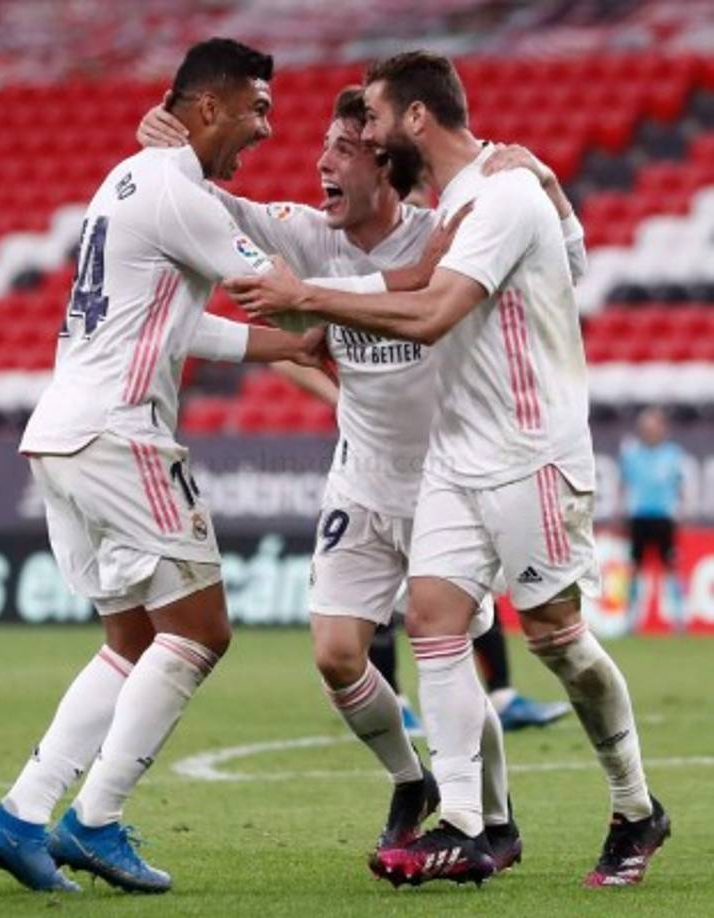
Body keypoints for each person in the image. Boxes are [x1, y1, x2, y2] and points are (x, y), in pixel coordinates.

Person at [226, 50, 670, 890]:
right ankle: (471, 825)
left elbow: (431, 314)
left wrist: (313, 297)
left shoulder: (498, 197)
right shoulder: (467, 198)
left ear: (417, 120)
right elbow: (564, 265)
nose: (371, 131)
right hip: (458, 458)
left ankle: (637, 806)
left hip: (530, 454)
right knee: (434, 623)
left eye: (380, 118)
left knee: (558, 643)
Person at [140, 84, 585, 876]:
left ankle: (490, 813)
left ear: (386, 164)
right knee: (339, 655)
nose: (322, 164)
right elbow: (208, 202)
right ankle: (411, 782)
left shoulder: (443, 235)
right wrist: (168, 147)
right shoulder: (307, 233)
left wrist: (544, 183)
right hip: (360, 480)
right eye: (323, 152)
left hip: (448, 479)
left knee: (440, 642)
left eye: (344, 151)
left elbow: (527, 277)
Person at [0, 38, 332, 895]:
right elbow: (280, 285)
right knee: (201, 631)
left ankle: (20, 815)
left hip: (62, 432)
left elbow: (183, 330)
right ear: (208, 107)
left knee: (134, 640)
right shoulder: (181, 192)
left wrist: (303, 347)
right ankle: (93, 822)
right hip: (119, 435)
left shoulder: (129, 180)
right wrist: (354, 324)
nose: (265, 129)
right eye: (257, 109)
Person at [620, 406, 686, 631]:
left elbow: (680, 487)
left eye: (653, 427)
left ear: (662, 429)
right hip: (639, 517)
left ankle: (678, 618)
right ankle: (631, 619)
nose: (649, 431)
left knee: (671, 567)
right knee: (635, 568)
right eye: (645, 427)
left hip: (664, 518)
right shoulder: (632, 454)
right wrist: (622, 513)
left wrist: (681, 512)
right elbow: (625, 486)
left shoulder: (673, 454)